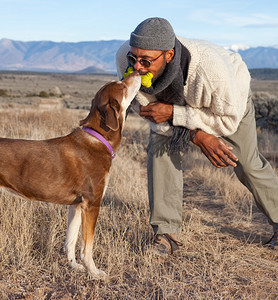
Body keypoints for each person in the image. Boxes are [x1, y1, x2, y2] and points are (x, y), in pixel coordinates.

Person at [116, 17, 278, 256]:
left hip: (224, 105)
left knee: (246, 162)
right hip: (174, 109)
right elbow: (151, 115)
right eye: (134, 58)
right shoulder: (124, 58)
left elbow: (227, 120)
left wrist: (184, 121)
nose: (137, 67)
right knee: (160, 150)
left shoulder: (212, 72)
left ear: (168, 55)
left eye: (145, 61)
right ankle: (166, 233)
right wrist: (193, 131)